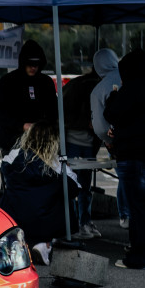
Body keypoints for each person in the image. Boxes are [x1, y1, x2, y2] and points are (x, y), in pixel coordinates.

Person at [104, 49, 145, 270]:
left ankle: (138, 256)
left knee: (137, 207)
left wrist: (113, 95)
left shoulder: (130, 90)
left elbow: (111, 112)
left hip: (135, 157)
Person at [0, 120, 80, 266]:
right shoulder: (54, 163)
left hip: (13, 217)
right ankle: (46, 243)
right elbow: (75, 188)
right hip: (44, 221)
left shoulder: (13, 155)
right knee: (65, 198)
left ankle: (25, 244)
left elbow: (5, 172)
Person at [0, 39, 58, 156]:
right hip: (12, 143)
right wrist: (21, 126)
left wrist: (44, 128)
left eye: (36, 64)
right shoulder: (7, 81)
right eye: (29, 63)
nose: (33, 67)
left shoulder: (46, 82)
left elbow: (53, 111)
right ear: (23, 62)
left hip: (41, 143)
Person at [90, 48, 130, 229]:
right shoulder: (132, 76)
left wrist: (108, 140)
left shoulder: (99, 90)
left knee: (124, 176)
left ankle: (125, 215)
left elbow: (99, 124)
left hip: (119, 142)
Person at [62, 67, 101, 239]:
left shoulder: (77, 84)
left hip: (75, 140)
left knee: (73, 185)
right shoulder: (93, 86)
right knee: (82, 186)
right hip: (81, 141)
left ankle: (77, 223)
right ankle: (81, 222)